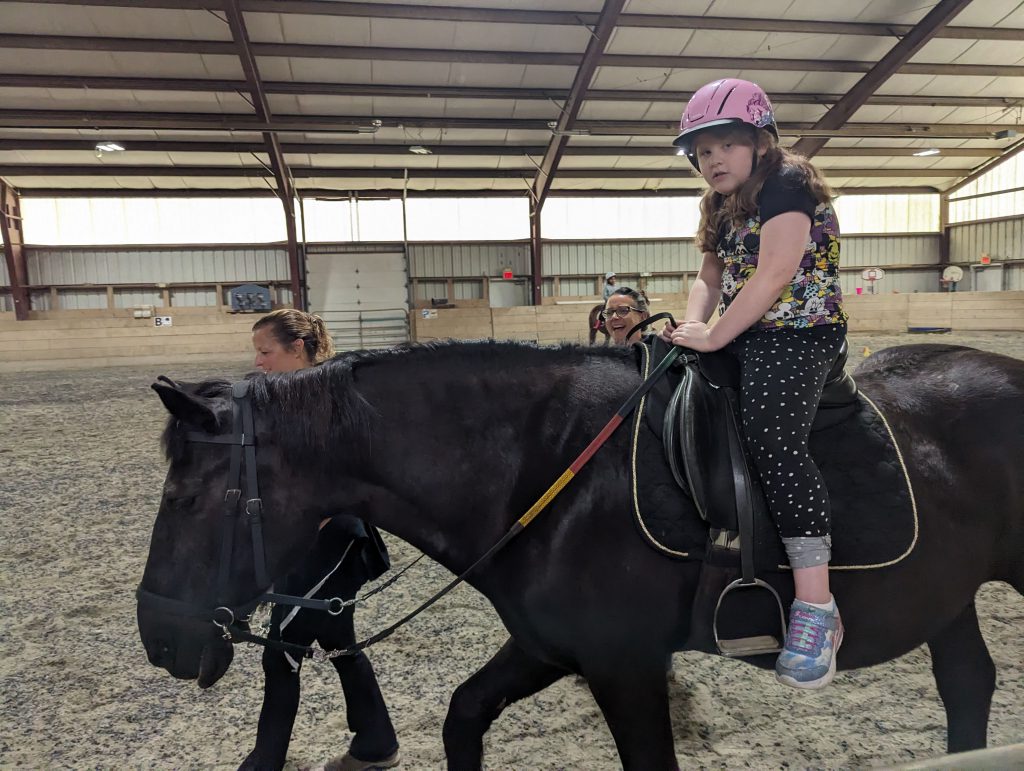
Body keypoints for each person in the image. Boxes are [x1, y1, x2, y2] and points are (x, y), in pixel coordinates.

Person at [662, 78, 847, 690]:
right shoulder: (717, 203)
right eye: (702, 153)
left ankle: (817, 607)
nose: (712, 161)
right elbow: (710, 275)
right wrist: (695, 322)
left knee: (772, 438)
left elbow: (773, 275)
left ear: (760, 141)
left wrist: (715, 336)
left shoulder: (787, 181)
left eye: (724, 146)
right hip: (746, 330)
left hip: (800, 331)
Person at [247, 309, 400, 771]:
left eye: (265, 351)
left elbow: (356, 474)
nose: (258, 362)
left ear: (296, 348)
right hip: (306, 544)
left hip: (334, 541)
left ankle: (265, 762)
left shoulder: (331, 399)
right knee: (337, 642)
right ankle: (376, 744)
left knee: (281, 652)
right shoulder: (287, 398)